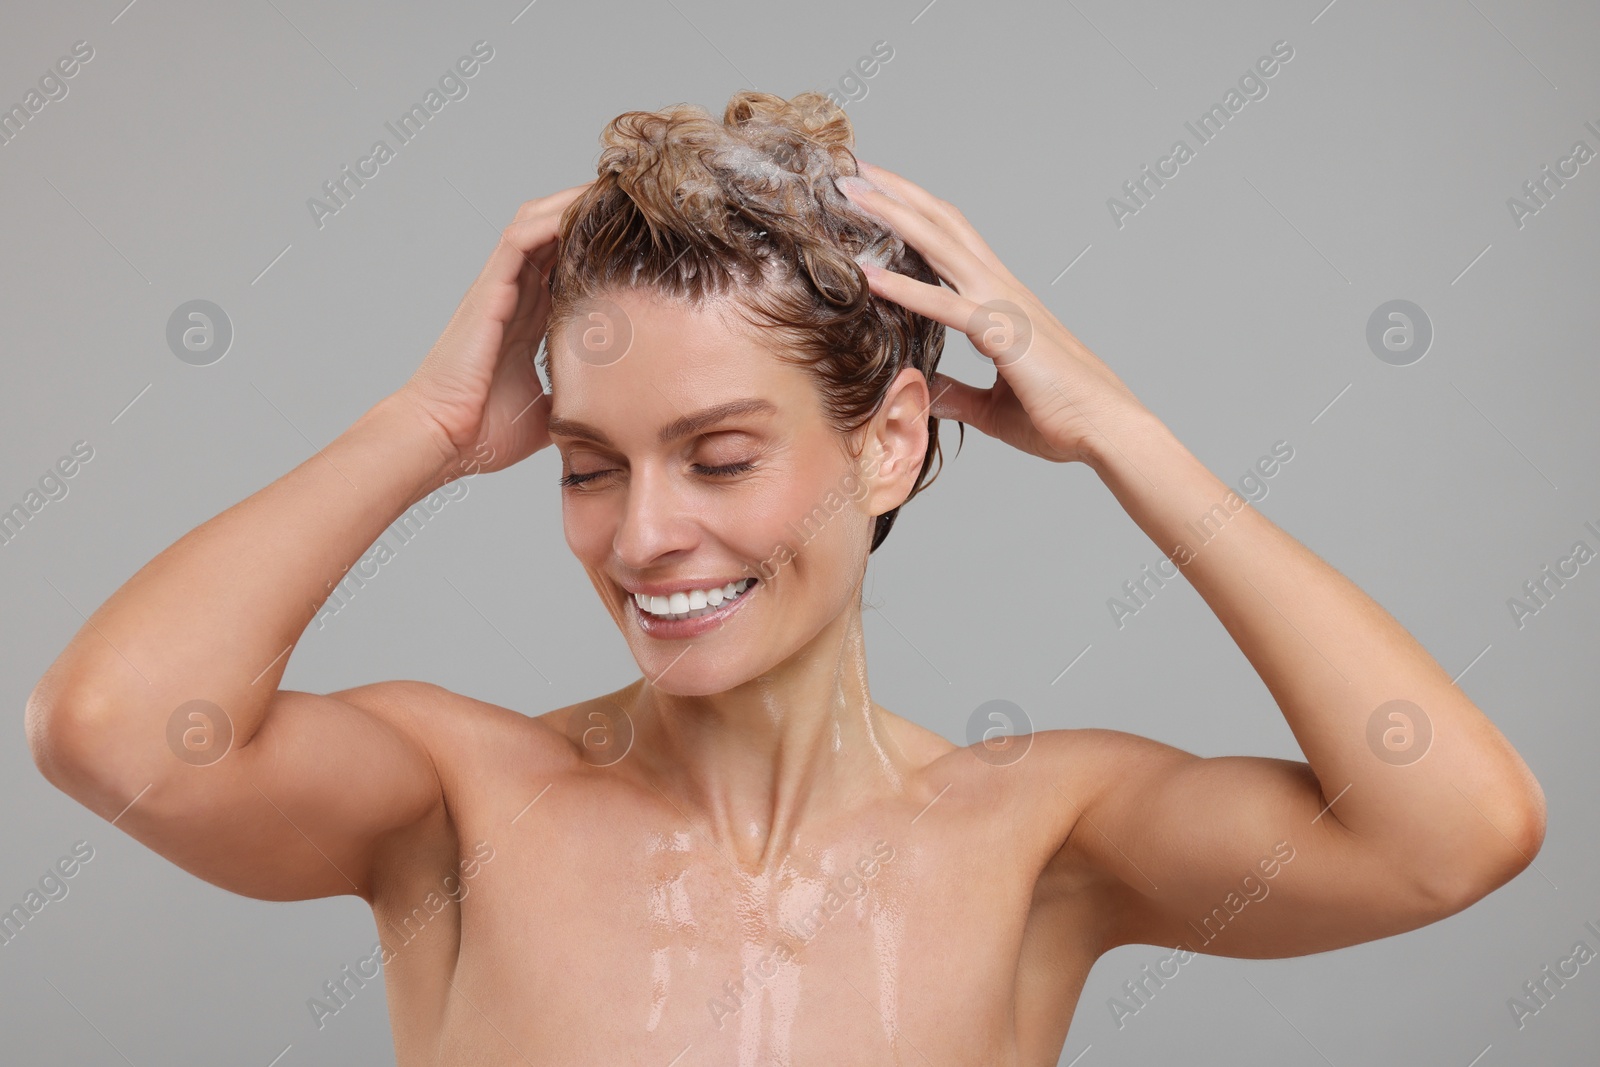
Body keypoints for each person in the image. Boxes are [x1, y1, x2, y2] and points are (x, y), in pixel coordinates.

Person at [26, 90, 1545, 1065]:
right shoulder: (455, 805)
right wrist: (419, 431)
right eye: (590, 463)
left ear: (890, 449)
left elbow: (1454, 834)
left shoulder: (1039, 841)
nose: (644, 538)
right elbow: (107, 727)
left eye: (724, 456)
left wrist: (1122, 435)